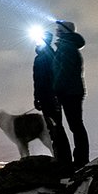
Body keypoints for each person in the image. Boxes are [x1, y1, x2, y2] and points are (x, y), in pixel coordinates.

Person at [33, 29, 73, 172]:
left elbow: (41, 80)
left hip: (49, 98)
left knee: (55, 128)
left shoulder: (45, 57)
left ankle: (62, 159)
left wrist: (39, 97)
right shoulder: (49, 56)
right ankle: (62, 158)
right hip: (49, 97)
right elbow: (39, 80)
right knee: (54, 127)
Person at [53, 20, 89, 170]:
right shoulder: (68, 47)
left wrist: (56, 89)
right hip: (72, 91)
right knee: (76, 125)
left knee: (75, 125)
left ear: (64, 31)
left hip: (69, 92)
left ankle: (81, 160)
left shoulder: (66, 48)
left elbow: (63, 72)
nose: (56, 30)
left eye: (58, 29)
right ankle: (81, 158)